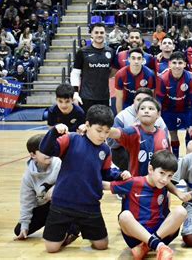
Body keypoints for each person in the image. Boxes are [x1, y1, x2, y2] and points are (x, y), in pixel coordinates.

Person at [39, 105, 130, 253]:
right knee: (51, 248)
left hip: (89, 205)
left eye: (106, 132)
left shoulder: (105, 150)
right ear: (87, 125)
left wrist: (120, 174)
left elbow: (106, 173)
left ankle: (75, 228)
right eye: (99, 131)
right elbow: (46, 149)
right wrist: (54, 132)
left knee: (102, 245)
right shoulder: (71, 139)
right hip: (62, 203)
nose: (102, 136)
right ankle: (70, 230)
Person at [104, 150, 186, 259]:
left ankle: (149, 245)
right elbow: (106, 186)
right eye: (162, 173)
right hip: (136, 235)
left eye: (169, 176)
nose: (165, 179)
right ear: (150, 169)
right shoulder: (133, 182)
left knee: (182, 211)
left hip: (160, 232)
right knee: (124, 216)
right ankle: (158, 246)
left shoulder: (164, 186)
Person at [13, 134, 63, 241]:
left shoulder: (59, 163)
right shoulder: (28, 177)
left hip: (63, 205)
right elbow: (27, 201)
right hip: (45, 207)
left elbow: (73, 182)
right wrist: (25, 225)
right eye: (43, 150)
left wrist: (55, 188)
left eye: (50, 148)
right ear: (33, 155)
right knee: (19, 230)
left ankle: (72, 224)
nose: (48, 153)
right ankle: (51, 221)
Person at [108, 88, 168, 171]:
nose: (146, 111)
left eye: (150, 108)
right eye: (139, 100)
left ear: (158, 114)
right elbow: (111, 136)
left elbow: (167, 144)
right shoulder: (125, 120)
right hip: (125, 154)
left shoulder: (160, 128)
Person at [156, 51, 192, 158]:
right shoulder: (162, 78)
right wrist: (158, 117)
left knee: (190, 133)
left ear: (184, 64)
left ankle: (189, 158)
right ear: (169, 64)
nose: (177, 66)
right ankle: (176, 157)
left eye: (180, 63)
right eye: (174, 63)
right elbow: (158, 100)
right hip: (169, 110)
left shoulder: (190, 78)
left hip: (185, 110)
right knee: (173, 134)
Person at [70, 23, 115, 113]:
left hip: (104, 97)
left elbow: (113, 72)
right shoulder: (82, 52)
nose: (99, 35)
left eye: (101, 32)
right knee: (86, 125)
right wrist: (75, 93)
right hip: (86, 97)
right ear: (91, 34)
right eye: (96, 32)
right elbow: (75, 73)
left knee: (103, 125)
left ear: (105, 34)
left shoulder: (111, 52)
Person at [114, 48, 156, 113]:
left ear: (142, 60)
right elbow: (119, 98)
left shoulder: (150, 75)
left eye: (139, 58)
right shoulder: (120, 74)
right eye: (133, 58)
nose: (136, 61)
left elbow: (150, 98)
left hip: (143, 105)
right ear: (129, 59)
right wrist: (120, 116)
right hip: (126, 104)